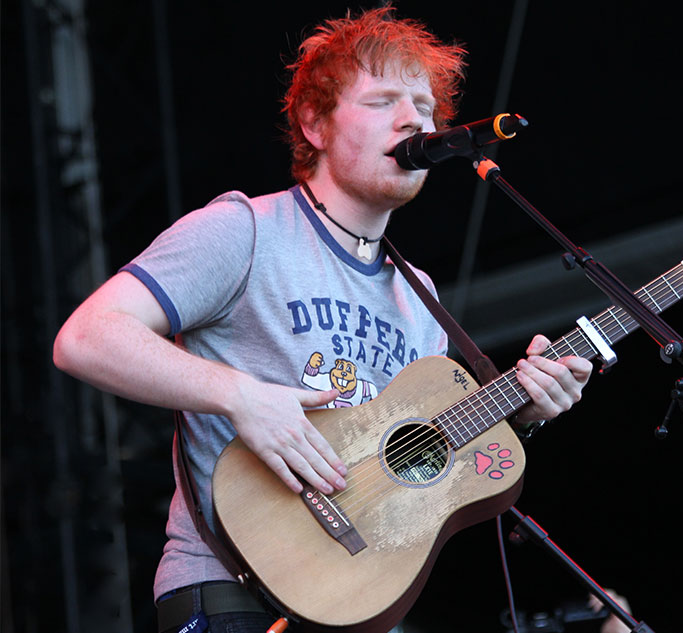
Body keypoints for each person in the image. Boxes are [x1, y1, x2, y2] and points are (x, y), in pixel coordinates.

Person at [53, 6, 593, 633]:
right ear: (315, 124)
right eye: (382, 100)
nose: (413, 119)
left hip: (353, 600)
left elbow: (412, 459)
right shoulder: (246, 229)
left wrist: (519, 412)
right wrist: (242, 398)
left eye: (423, 106)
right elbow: (86, 337)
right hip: (232, 592)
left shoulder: (421, 295)